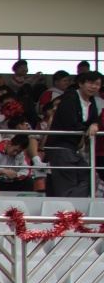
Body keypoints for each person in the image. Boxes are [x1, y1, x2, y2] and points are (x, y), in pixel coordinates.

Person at [43, 69, 99, 197]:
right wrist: (86, 129)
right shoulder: (70, 97)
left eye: (97, 84)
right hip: (60, 146)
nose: (94, 87)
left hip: (73, 148)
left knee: (88, 175)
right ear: (81, 84)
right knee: (67, 181)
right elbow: (69, 122)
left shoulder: (92, 100)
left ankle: (75, 204)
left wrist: (94, 124)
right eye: (90, 83)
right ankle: (68, 206)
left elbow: (94, 119)